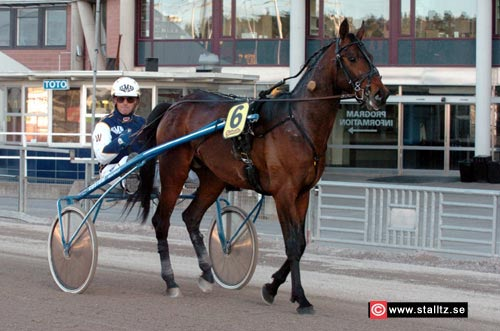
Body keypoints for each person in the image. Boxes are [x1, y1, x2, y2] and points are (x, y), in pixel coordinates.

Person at [92, 77, 145, 193]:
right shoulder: (105, 124)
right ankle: (129, 181)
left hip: (140, 169)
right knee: (129, 159)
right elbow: (101, 157)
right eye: (121, 99)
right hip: (111, 172)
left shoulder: (142, 123)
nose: (125, 103)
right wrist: (119, 142)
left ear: (136, 101)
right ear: (115, 100)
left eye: (130, 99)